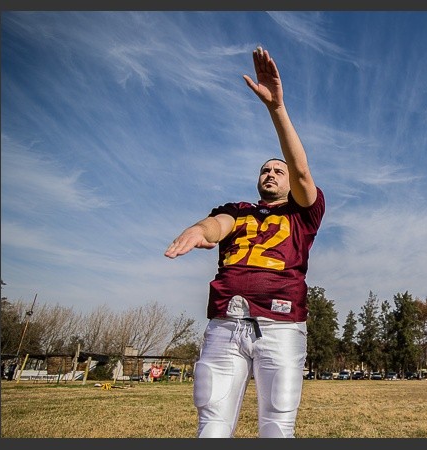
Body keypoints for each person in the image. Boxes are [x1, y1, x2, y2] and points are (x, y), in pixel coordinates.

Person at [164, 46, 325, 438]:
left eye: (277, 170)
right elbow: (217, 223)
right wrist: (199, 231)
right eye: (265, 170)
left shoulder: (304, 210)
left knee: (277, 425)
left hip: (282, 324)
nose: (270, 174)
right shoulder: (238, 209)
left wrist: (276, 109)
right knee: (212, 423)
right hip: (225, 321)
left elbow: (303, 172)